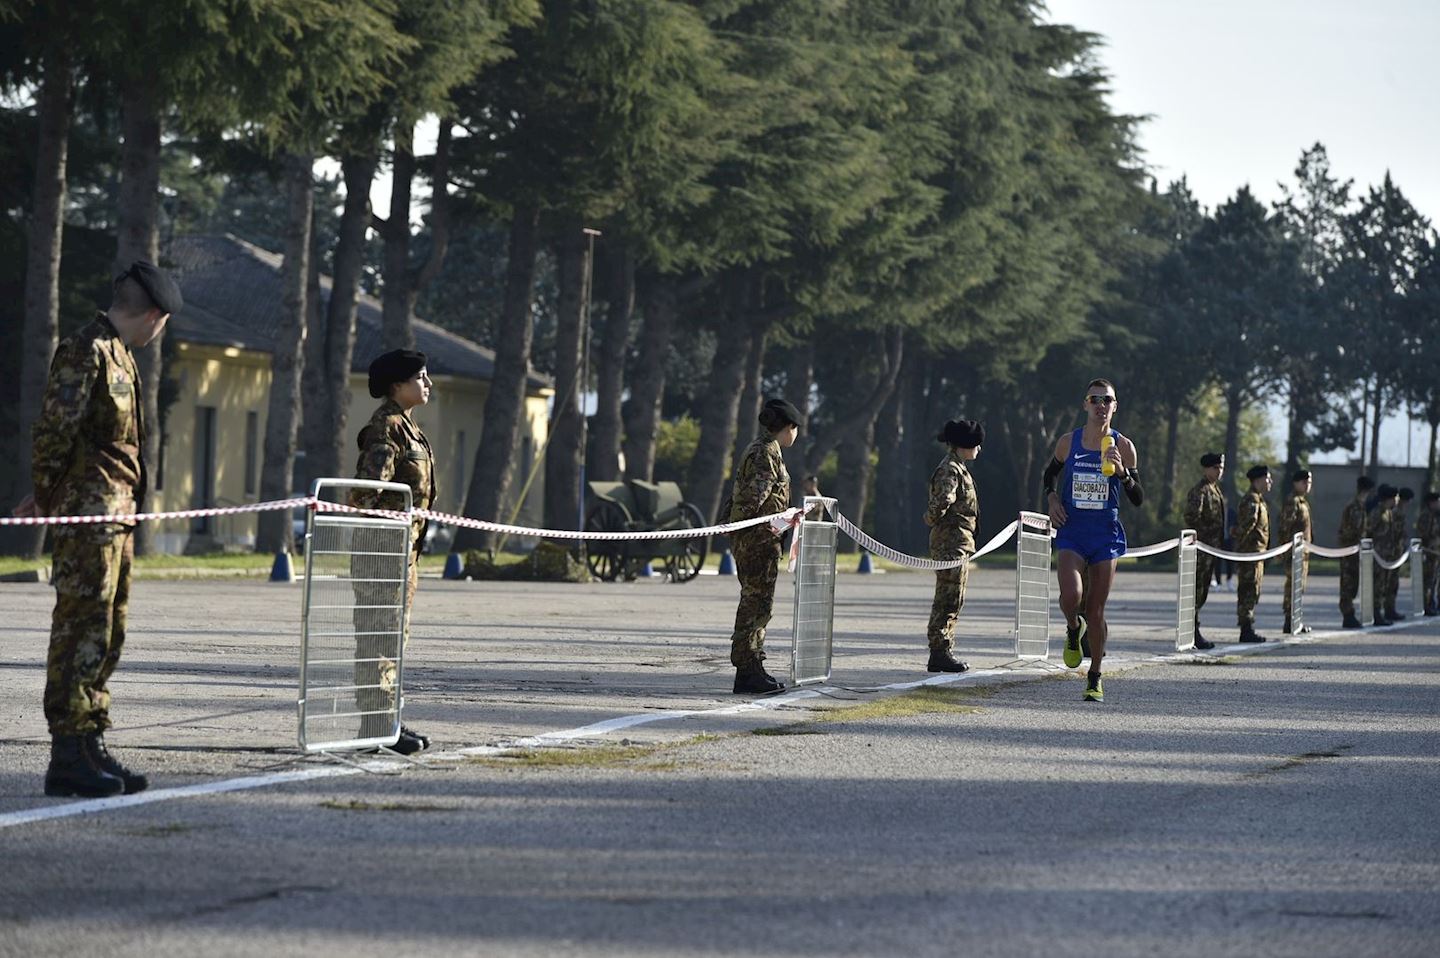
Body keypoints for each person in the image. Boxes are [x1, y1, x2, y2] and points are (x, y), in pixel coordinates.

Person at [13, 261, 179, 797]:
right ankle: (67, 754)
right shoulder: (85, 349)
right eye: (165, 324)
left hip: (116, 515)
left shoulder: (120, 355)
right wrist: (46, 495)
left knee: (107, 634)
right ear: (154, 315)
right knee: (79, 631)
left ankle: (90, 744)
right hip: (88, 516)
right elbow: (55, 429)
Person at [350, 349, 436, 754]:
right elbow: (367, 492)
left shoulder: (408, 426)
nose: (428, 383)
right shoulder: (386, 428)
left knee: (393, 639)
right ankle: (376, 727)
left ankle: (388, 721)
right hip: (382, 553)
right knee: (378, 640)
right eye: (420, 376)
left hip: (404, 553)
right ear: (397, 385)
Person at [1042, 379, 1143, 703]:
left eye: (1107, 400)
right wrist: (1052, 499)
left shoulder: (1124, 445)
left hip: (1104, 534)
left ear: (1115, 406)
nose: (1101, 405)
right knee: (1071, 596)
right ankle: (1073, 627)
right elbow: (1049, 475)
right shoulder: (1067, 442)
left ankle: (1095, 674)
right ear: (1085, 404)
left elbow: (1138, 498)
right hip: (1073, 530)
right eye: (1095, 399)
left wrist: (1124, 473)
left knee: (1097, 609)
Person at [727, 398, 803, 694]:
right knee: (755, 603)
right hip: (757, 541)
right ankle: (746, 666)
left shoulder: (766, 449)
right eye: (795, 429)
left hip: (762, 539)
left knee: (760, 604)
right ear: (788, 427)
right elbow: (752, 498)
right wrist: (743, 528)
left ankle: (754, 664)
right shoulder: (765, 452)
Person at [924, 419, 984, 673]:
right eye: (976, 445)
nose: (979, 449)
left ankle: (942, 649)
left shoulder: (958, 467)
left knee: (953, 598)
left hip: (959, 542)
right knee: (948, 598)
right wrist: (930, 518)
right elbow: (943, 501)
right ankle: (940, 651)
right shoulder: (951, 469)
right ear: (964, 445)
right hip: (951, 543)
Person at [1182, 452, 1225, 649]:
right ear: (1206, 469)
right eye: (1215, 468)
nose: (1219, 471)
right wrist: (1204, 536)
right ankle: (1193, 630)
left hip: (1212, 549)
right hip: (1201, 550)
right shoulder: (1200, 491)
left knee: (1203, 590)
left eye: (1221, 468)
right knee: (1197, 590)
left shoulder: (1214, 489)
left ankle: (1194, 629)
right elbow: (1192, 517)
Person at [1234, 464, 1273, 643]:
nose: (1270, 482)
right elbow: (1246, 528)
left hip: (1256, 555)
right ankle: (1246, 629)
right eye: (1267, 478)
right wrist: (1242, 550)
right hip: (1250, 555)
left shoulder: (1259, 500)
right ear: (1258, 480)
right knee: (1248, 590)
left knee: (1253, 590)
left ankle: (1248, 627)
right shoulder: (1252, 500)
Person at [1337, 475, 1374, 629]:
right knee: (1348, 583)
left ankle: (1349, 613)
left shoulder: (1359, 506)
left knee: (1353, 583)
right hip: (1349, 550)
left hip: (1354, 550)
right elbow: (1351, 530)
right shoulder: (1354, 507)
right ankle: (1347, 614)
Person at [1280, 469, 1314, 634]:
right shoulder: (1292, 502)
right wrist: (1286, 550)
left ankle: (1296, 620)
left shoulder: (1302, 502)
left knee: (1299, 586)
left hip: (1302, 552)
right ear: (1296, 483)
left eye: (1309, 482)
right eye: (1304, 482)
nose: (1307, 485)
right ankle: (1289, 619)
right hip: (1294, 552)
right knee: (1293, 585)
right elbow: (1285, 527)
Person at [1367, 484, 1400, 626]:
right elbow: (1369, 531)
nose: (1396, 501)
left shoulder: (1388, 512)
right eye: (1394, 498)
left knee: (1385, 585)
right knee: (1377, 585)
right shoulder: (1377, 513)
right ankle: (1375, 613)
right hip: (1378, 555)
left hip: (1387, 556)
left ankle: (1382, 611)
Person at [1383, 487, 1414, 621]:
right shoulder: (1396, 513)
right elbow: (1395, 533)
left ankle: (1390, 608)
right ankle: (1387, 609)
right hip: (1391, 552)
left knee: (1393, 583)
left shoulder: (1398, 512)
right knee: (1388, 583)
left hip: (1396, 552)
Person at [1418, 491, 1440, 616]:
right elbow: (1424, 534)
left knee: (1433, 580)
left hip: (1435, 553)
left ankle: (1432, 603)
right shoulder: (1426, 516)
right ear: (1431, 503)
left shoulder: (1435, 516)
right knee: (1428, 581)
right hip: (1429, 553)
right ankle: (1426, 605)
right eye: (1437, 501)